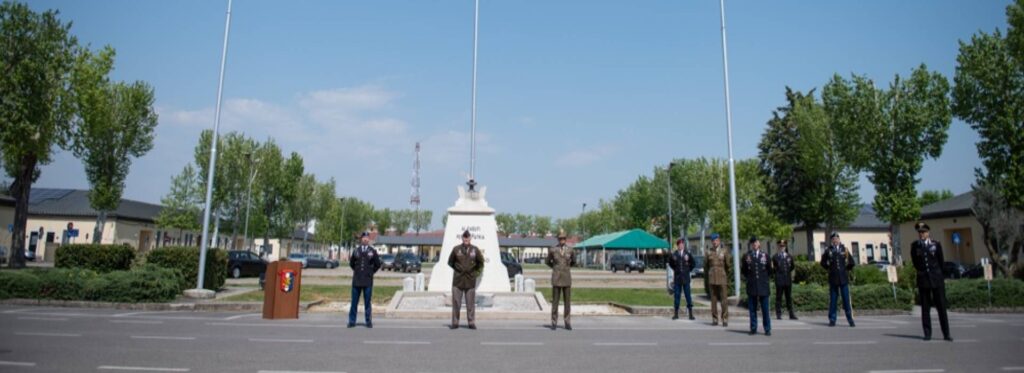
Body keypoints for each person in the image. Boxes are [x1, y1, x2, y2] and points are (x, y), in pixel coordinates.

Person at [910, 222, 952, 341]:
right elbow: (915, 263)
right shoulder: (915, 246)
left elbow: (941, 261)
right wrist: (921, 272)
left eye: (923, 232)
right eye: (919, 232)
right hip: (924, 280)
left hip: (936, 279)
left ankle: (946, 333)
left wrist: (941, 277)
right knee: (925, 308)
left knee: (941, 307)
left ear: (928, 233)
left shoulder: (936, 244)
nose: (921, 234)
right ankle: (927, 333)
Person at [448, 230, 484, 330]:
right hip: (458, 281)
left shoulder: (475, 250)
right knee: (456, 303)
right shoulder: (456, 249)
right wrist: (458, 271)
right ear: (462, 238)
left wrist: (476, 274)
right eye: (464, 238)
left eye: (467, 238)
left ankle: (471, 322)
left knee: (470, 304)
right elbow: (450, 262)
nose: (466, 240)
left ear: (470, 238)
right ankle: (455, 322)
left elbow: (481, 264)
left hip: (470, 280)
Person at [821, 232, 855, 327]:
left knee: (846, 300)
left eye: (837, 239)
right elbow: (822, 262)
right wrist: (829, 268)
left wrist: (846, 269)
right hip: (833, 278)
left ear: (839, 240)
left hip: (843, 278)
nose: (835, 241)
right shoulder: (828, 250)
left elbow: (852, 262)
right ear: (831, 241)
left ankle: (850, 319)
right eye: (833, 239)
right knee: (833, 300)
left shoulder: (845, 249)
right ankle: (832, 319)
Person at [348, 232, 381, 328]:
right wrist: (357, 271)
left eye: (367, 238)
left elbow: (378, 264)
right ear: (361, 239)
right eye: (364, 238)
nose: (365, 239)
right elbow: (351, 264)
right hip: (357, 280)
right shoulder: (356, 251)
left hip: (367, 281)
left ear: (369, 240)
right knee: (354, 302)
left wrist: (370, 273)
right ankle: (352, 321)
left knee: (367, 302)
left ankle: (368, 321)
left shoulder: (372, 251)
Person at [545, 230, 575, 330]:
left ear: (566, 239)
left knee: (567, 302)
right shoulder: (553, 250)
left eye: (564, 238)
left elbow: (573, 262)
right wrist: (555, 268)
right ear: (558, 239)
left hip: (566, 278)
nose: (562, 240)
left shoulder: (570, 250)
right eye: (560, 238)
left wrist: (566, 268)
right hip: (556, 278)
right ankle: (554, 322)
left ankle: (567, 322)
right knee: (555, 302)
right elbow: (547, 261)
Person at [742, 237, 772, 336]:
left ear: (759, 243)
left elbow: (769, 270)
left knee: (765, 310)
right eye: (753, 243)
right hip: (752, 286)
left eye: (756, 242)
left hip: (763, 286)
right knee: (752, 310)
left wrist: (764, 280)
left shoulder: (765, 255)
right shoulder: (747, 256)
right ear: (751, 245)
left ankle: (767, 329)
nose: (754, 244)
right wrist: (750, 279)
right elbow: (744, 270)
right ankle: (753, 328)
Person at [704, 233, 731, 327]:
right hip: (712, 278)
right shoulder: (708, 252)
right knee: (713, 300)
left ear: (719, 240)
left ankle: (725, 319)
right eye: (713, 241)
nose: (714, 242)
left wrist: (724, 274)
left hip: (722, 277)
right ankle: (715, 318)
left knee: (724, 300)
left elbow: (728, 266)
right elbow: (706, 266)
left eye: (716, 240)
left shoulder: (724, 251)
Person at [668, 238, 696, 320]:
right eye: (679, 244)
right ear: (677, 246)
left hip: (686, 278)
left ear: (683, 245)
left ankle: (690, 314)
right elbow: (671, 263)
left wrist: (688, 270)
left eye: (682, 244)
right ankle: (676, 313)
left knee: (688, 296)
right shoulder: (674, 254)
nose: (681, 245)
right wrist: (675, 270)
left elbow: (693, 263)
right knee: (677, 296)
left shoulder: (687, 253)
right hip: (677, 278)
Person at [772, 240, 797, 320]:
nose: (782, 247)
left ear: (785, 247)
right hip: (779, 280)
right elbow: (773, 268)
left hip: (787, 279)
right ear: (778, 247)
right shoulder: (775, 257)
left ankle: (791, 314)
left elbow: (792, 266)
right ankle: (778, 314)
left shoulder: (789, 256)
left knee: (788, 297)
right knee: (779, 297)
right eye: (780, 246)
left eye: (783, 246)